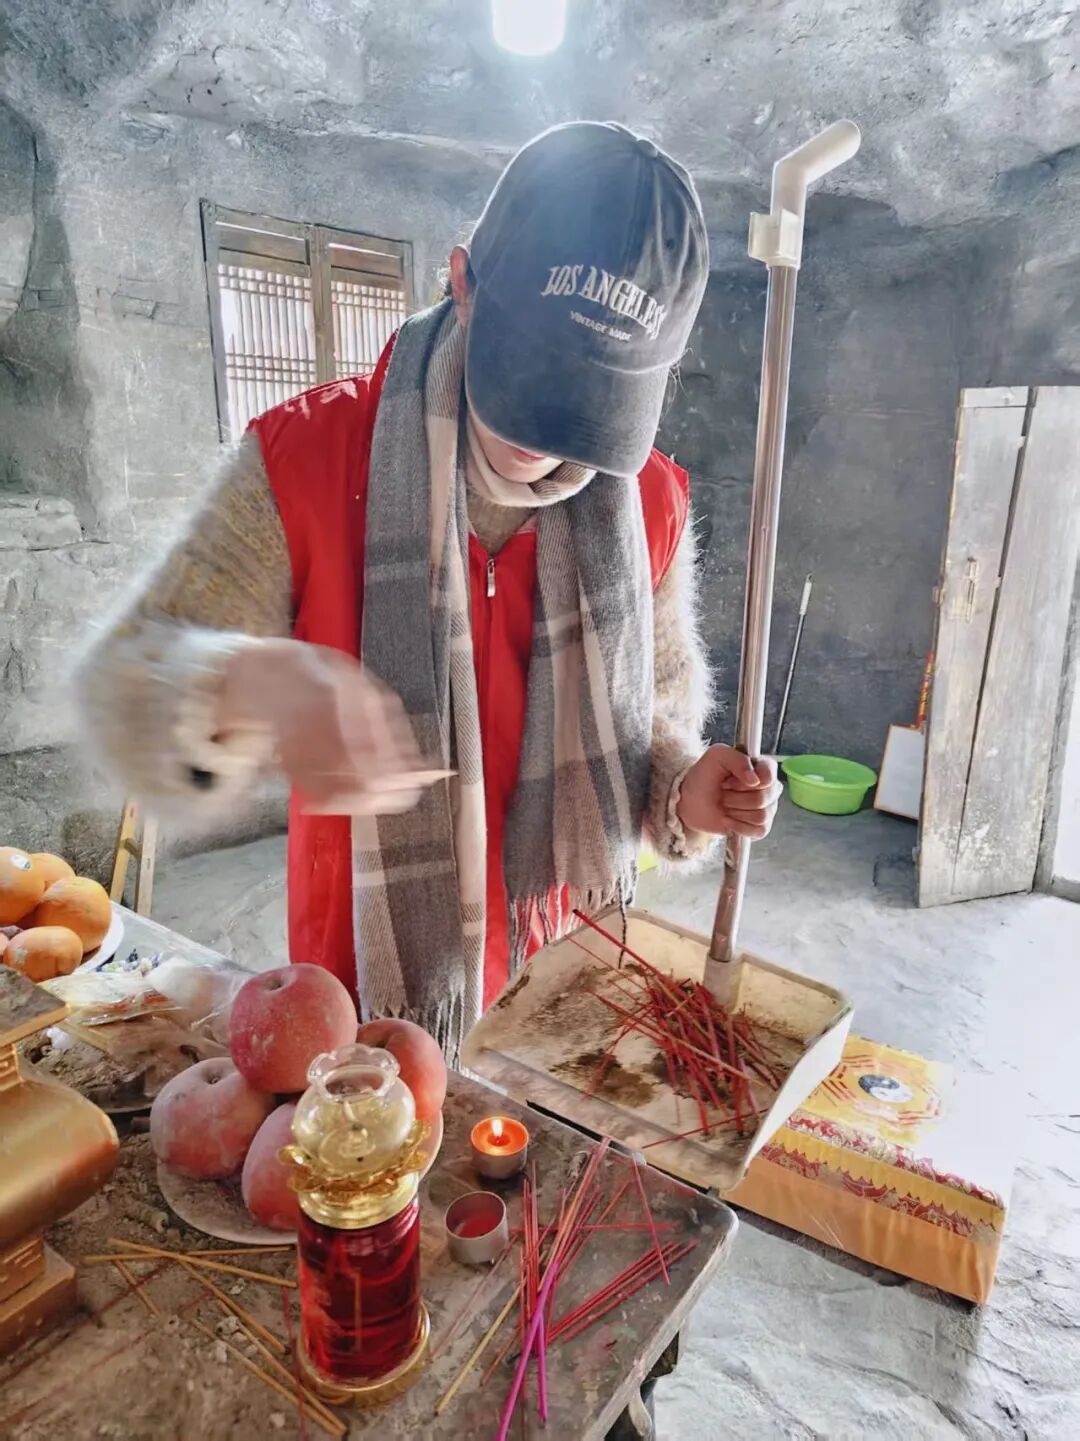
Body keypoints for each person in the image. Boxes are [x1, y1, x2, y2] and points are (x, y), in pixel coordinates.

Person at [75, 122, 781, 1058]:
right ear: (463, 283)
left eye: (589, 404)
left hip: (572, 981)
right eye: (532, 374)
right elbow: (119, 691)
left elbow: (650, 736)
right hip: (364, 980)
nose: (545, 439)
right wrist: (250, 682)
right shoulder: (307, 460)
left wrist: (690, 794)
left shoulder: (647, 502)